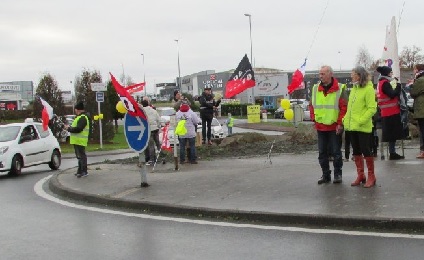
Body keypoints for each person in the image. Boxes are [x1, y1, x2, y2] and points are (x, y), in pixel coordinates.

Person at [310, 65, 348, 184]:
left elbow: (344, 108)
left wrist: (340, 124)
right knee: (322, 153)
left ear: (331, 74)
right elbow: (312, 105)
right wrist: (314, 119)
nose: (320, 76)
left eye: (323, 74)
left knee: (336, 152)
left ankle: (337, 174)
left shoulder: (340, 88)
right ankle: (325, 174)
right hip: (320, 126)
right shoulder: (316, 88)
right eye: (320, 74)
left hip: (334, 126)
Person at [343, 66, 377, 188]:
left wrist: (362, 120)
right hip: (351, 126)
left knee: (366, 150)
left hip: (363, 126)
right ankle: (361, 175)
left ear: (360, 75)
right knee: (356, 151)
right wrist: (345, 119)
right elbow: (350, 108)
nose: (351, 76)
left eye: (353, 74)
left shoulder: (368, 89)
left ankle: (371, 176)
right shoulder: (354, 89)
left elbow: (372, 108)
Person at [376, 66, 405, 160]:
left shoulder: (381, 82)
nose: (392, 74)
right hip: (391, 112)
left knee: (390, 134)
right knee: (392, 134)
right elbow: (392, 94)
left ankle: (392, 152)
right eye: (391, 72)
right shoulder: (385, 83)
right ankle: (392, 153)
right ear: (387, 73)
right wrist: (398, 86)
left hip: (386, 112)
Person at [65, 101, 90, 178]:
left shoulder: (83, 118)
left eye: (75, 109)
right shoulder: (80, 117)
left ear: (78, 109)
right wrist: (69, 128)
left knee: (81, 156)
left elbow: (79, 129)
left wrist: (69, 129)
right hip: (77, 140)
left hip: (80, 140)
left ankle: (84, 171)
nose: (75, 111)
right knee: (79, 156)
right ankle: (80, 171)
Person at [409, 64, 424, 158]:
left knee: (422, 130)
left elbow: (413, 93)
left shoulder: (420, 80)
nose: (413, 71)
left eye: (414, 69)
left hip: (421, 109)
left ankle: (423, 151)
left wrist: (411, 85)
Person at [141, 99, 161, 165]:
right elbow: (158, 119)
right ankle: (162, 157)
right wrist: (158, 127)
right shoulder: (153, 110)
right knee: (158, 144)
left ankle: (152, 160)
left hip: (148, 130)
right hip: (155, 129)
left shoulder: (142, 111)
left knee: (151, 145)